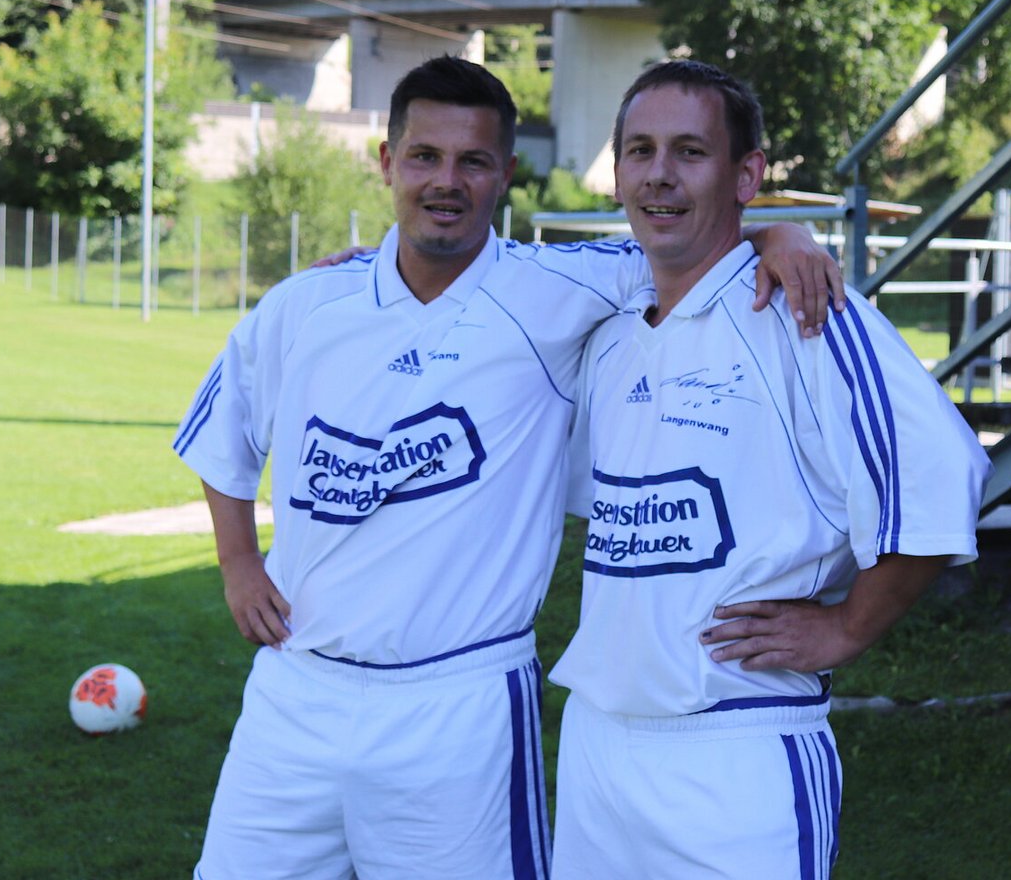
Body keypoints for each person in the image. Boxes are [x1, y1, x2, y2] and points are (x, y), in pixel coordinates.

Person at [172, 55, 843, 880]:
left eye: (473, 161)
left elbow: (690, 238)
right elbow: (225, 431)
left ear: (506, 175)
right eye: (424, 156)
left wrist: (780, 234)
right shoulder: (307, 305)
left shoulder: (557, 288)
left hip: (461, 704)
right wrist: (238, 562)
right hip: (294, 692)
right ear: (386, 162)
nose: (445, 181)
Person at [548, 60, 990, 879]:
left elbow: (939, 472)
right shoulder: (606, 331)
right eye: (640, 150)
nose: (659, 174)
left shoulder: (804, 311)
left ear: (746, 175)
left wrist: (846, 627)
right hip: (597, 751)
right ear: (617, 173)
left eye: (690, 151)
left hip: (735, 753)